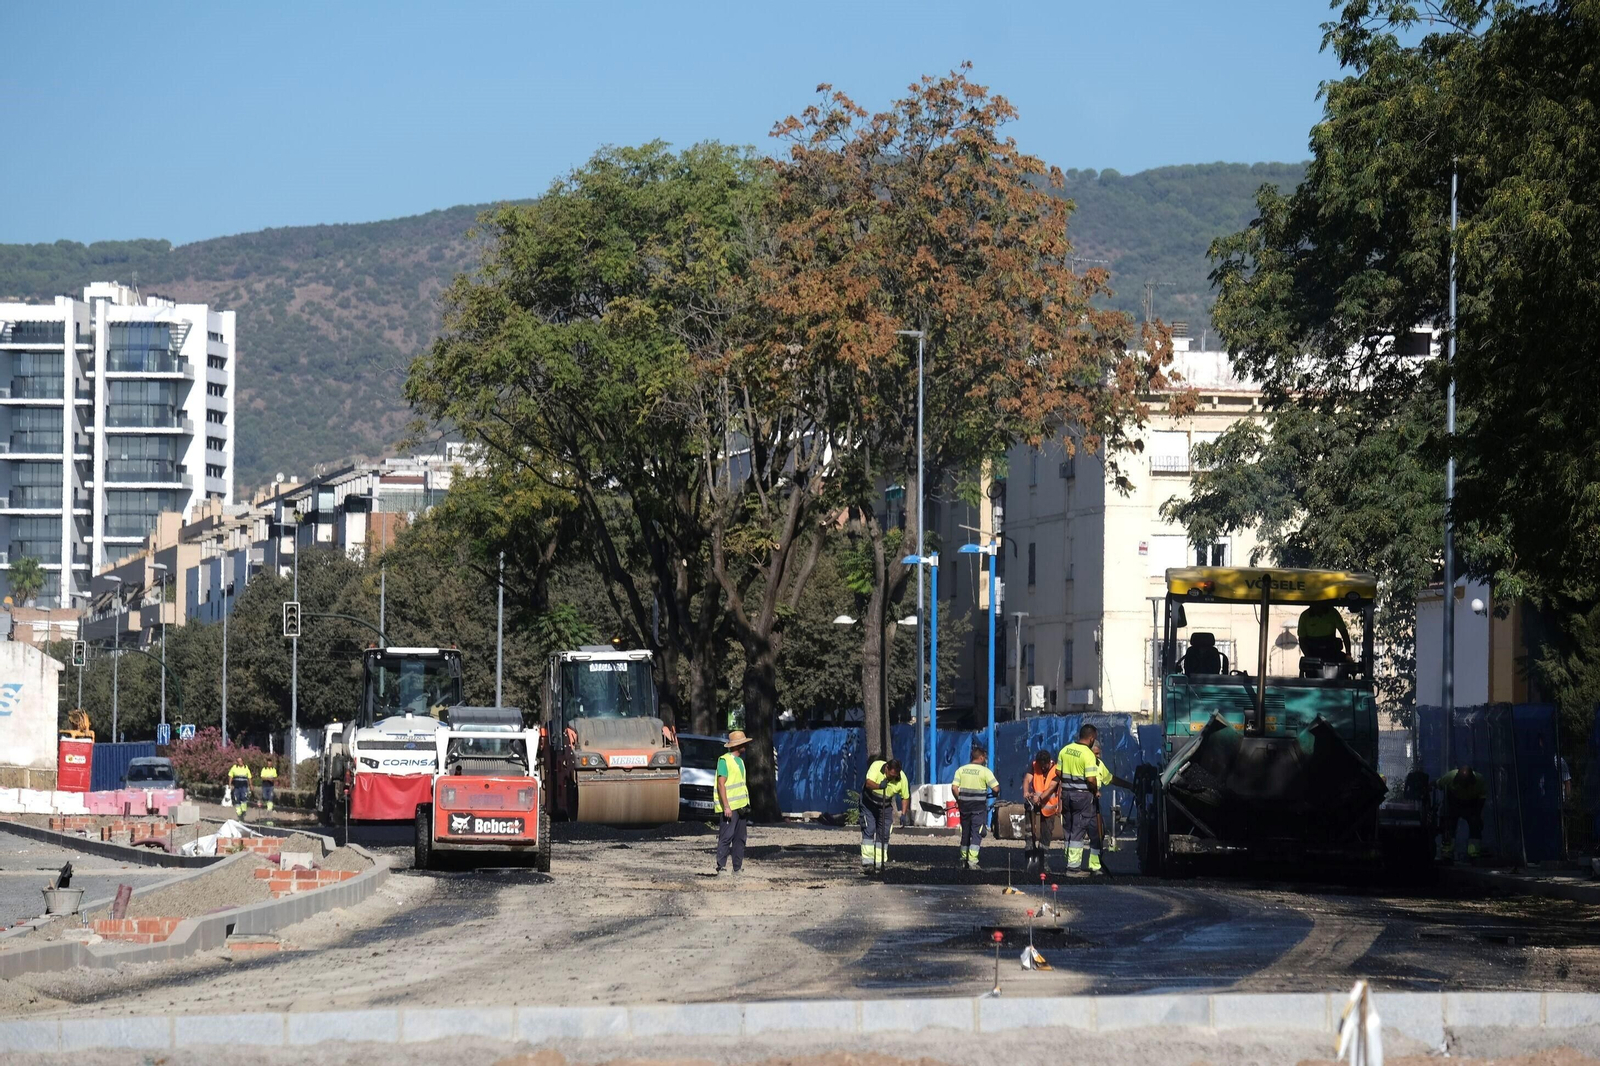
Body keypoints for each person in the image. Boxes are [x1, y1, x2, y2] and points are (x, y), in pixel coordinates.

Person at [1057, 724, 1102, 873]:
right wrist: (1094, 790)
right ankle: (1073, 866)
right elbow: (1090, 779)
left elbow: (1058, 772)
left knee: (1069, 827)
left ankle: (1068, 860)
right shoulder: (1088, 754)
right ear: (1091, 738)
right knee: (1078, 829)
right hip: (1082, 796)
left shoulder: (1065, 750)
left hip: (1066, 794)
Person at [952, 746, 1000, 870]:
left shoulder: (961, 770)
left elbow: (954, 788)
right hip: (978, 808)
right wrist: (994, 794)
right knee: (977, 833)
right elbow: (996, 788)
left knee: (965, 833)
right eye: (984, 757)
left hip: (964, 807)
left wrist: (959, 800)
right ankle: (972, 861)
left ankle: (963, 860)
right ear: (981, 757)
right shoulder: (985, 771)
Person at [860, 757, 907, 875]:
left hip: (885, 806)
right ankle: (868, 863)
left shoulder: (902, 778)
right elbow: (868, 783)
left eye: (895, 776)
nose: (893, 778)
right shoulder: (876, 767)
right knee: (869, 829)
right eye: (891, 775)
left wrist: (904, 814)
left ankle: (880, 864)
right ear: (886, 768)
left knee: (884, 833)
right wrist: (880, 786)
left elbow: (905, 796)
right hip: (869, 804)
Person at [715, 730, 753, 875]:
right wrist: (726, 806)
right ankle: (721, 867)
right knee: (726, 837)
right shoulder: (724, 760)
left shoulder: (740, 762)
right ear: (738, 746)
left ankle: (737, 868)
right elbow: (721, 784)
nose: (746, 746)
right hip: (730, 808)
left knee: (740, 838)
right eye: (744, 743)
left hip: (741, 807)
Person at [1436, 765, 1488, 861]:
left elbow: (1482, 798)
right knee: (1449, 825)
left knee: (1475, 824)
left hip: (1471, 804)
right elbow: (1438, 784)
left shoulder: (1480, 780)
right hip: (1453, 803)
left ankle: (1473, 853)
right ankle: (1447, 852)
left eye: (1466, 784)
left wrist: (1478, 814)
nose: (1464, 786)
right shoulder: (1450, 777)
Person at [1022, 751, 1060, 874]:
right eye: (1041, 765)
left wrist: (1040, 798)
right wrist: (1026, 792)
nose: (1042, 768)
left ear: (1049, 762)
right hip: (1034, 803)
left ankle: (1043, 861)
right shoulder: (1034, 765)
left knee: (1046, 833)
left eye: (1044, 766)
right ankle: (1030, 854)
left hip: (1048, 805)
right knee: (1029, 830)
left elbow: (1051, 788)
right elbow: (1027, 779)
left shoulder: (1056, 770)